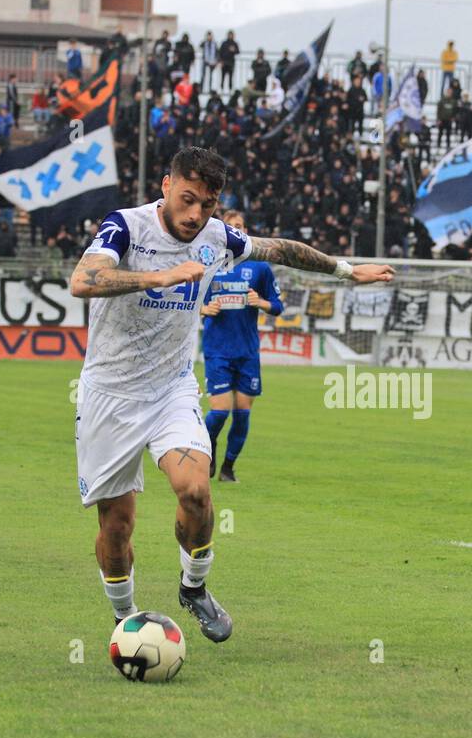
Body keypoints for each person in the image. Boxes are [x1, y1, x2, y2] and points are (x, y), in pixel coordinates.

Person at [68, 146, 394, 639]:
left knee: (196, 492)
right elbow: (84, 279)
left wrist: (347, 271)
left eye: (209, 203)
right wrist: (160, 275)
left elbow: (280, 249)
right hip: (110, 396)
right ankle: (125, 621)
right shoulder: (127, 226)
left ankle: (194, 587)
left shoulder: (218, 237)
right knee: (117, 526)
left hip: (171, 390)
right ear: (166, 187)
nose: (196, 214)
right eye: (188, 199)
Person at [198, 209, 284, 483]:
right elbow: (187, 302)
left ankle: (228, 468)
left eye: (241, 226)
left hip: (247, 351)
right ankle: (206, 449)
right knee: (220, 411)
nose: (238, 230)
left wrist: (262, 302)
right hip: (217, 350)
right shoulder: (207, 264)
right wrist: (203, 309)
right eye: (231, 226)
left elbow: (278, 306)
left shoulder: (259, 267)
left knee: (243, 414)